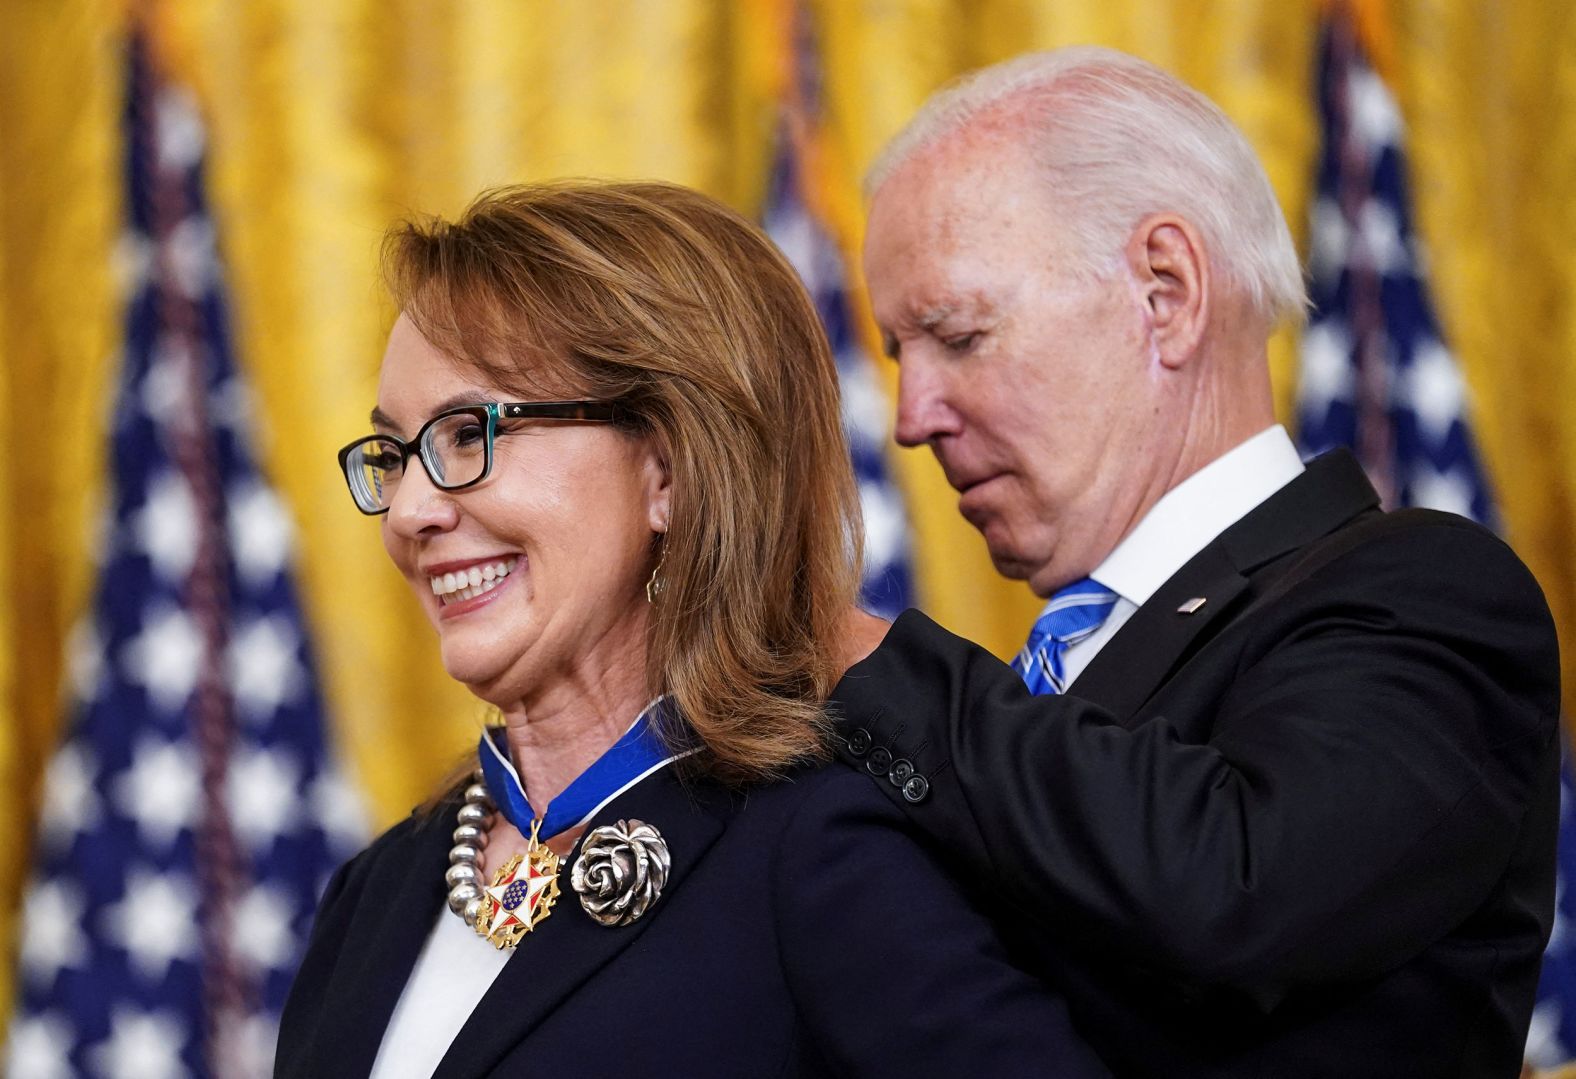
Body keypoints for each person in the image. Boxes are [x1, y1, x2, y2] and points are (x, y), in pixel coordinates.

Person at [830, 46, 1561, 1076]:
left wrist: (855, 653)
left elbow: (1243, 889)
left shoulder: (1421, 595)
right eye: (901, 355)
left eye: (958, 335)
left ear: (1164, 290)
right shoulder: (1014, 694)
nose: (910, 417)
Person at [275, 181, 1107, 1078]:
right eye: (394, 455)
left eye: (466, 434)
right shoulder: (382, 886)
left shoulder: (821, 848)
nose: (410, 509)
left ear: (669, 468)